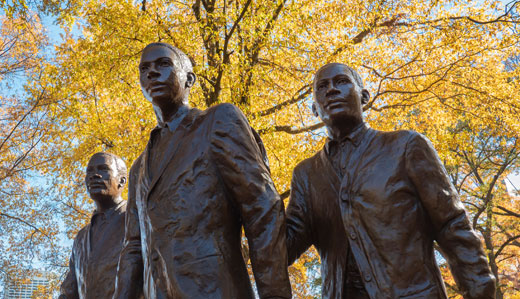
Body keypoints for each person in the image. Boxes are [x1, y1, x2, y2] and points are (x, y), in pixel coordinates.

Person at [286, 63, 496, 299]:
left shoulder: (405, 146)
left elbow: (452, 224)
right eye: (322, 86)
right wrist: (254, 195)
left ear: (364, 96)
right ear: (315, 108)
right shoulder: (305, 175)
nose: (331, 90)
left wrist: (480, 290)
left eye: (342, 82)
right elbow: (283, 247)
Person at [113, 42, 291, 299]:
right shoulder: (139, 168)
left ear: (189, 79)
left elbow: (262, 211)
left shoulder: (218, 121)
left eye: (163, 64)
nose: (151, 72)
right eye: (144, 68)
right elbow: (132, 249)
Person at [59, 152, 128, 299]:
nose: (94, 175)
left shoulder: (136, 219)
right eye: (89, 171)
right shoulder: (81, 237)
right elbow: (70, 290)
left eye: (103, 169)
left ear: (122, 180)